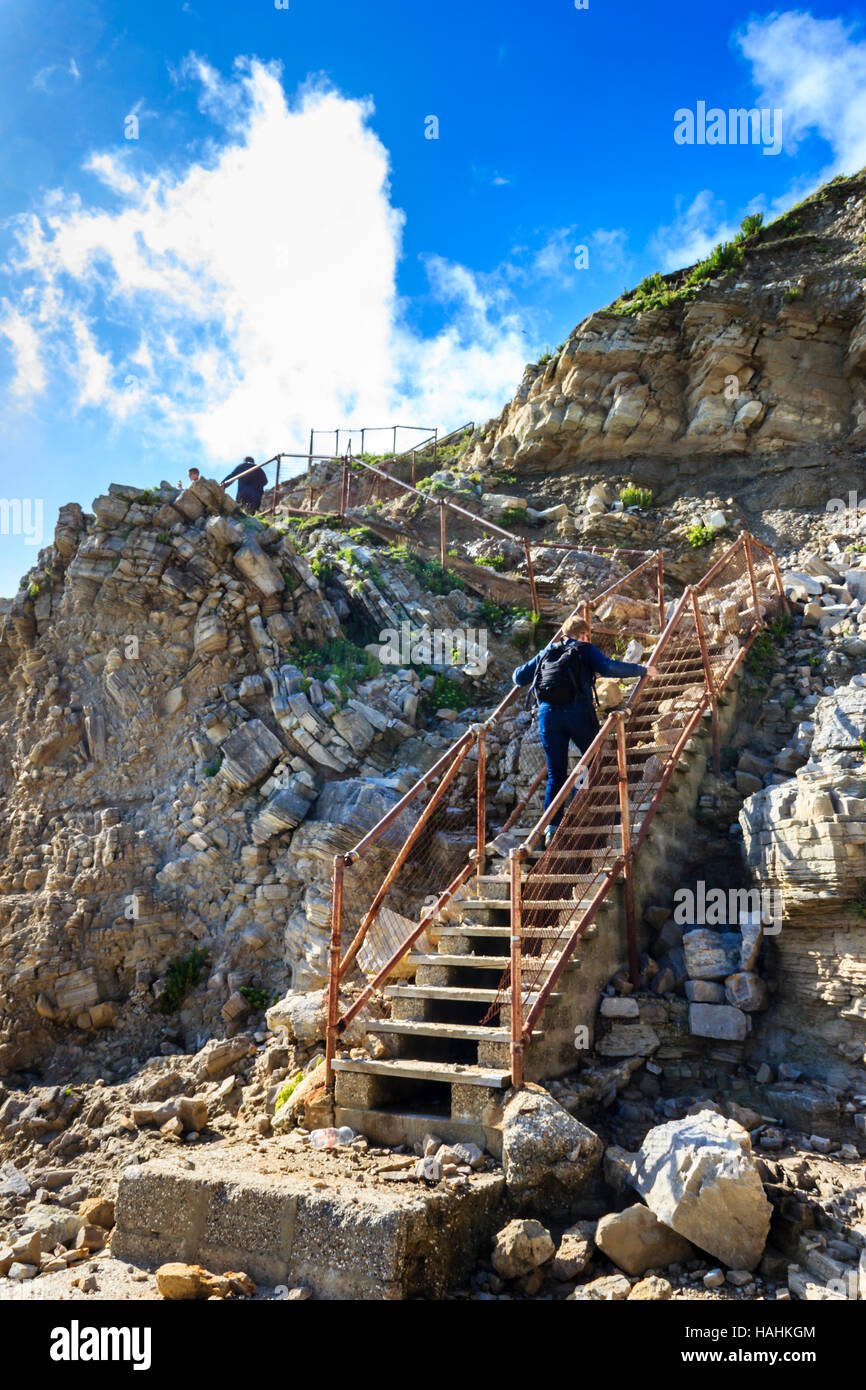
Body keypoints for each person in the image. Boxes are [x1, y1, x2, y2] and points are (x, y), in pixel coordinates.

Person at [513, 614, 659, 846]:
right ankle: (580, 800)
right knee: (593, 759)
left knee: (555, 773)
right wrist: (642, 669)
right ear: (584, 634)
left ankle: (551, 828)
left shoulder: (548, 651)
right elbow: (609, 667)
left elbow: (518, 677)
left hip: (548, 716)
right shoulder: (584, 649)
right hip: (578, 712)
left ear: (563, 633)